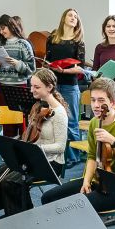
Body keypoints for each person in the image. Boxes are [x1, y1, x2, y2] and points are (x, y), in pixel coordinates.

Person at [40, 77, 115, 214]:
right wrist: (86, 181)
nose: (95, 105)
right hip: (98, 181)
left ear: (113, 103)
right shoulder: (95, 122)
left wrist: (114, 143)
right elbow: (92, 156)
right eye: (93, 100)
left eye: (101, 100)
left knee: (77, 209)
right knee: (48, 198)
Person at [0, 68, 68, 219]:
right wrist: (17, 142)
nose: (32, 90)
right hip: (31, 157)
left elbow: (60, 147)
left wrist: (35, 149)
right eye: (31, 86)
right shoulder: (38, 106)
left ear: (50, 87)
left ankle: (22, 217)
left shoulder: (58, 113)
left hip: (51, 162)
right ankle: (10, 212)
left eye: (36, 87)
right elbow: (30, 136)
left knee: (11, 181)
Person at [45, 9, 88, 165]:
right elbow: (47, 60)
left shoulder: (78, 42)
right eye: (70, 15)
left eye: (76, 17)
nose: (73, 18)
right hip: (53, 85)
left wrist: (64, 70)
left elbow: (81, 68)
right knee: (55, 120)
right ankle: (58, 154)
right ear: (63, 18)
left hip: (70, 85)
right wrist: (49, 66)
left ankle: (73, 156)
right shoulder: (52, 38)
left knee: (70, 122)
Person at [0, 14, 35, 87]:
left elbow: (32, 69)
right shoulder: (1, 45)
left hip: (19, 85)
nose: (1, 32)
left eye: (3, 28)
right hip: (2, 84)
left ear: (11, 26)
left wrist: (17, 63)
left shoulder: (23, 44)